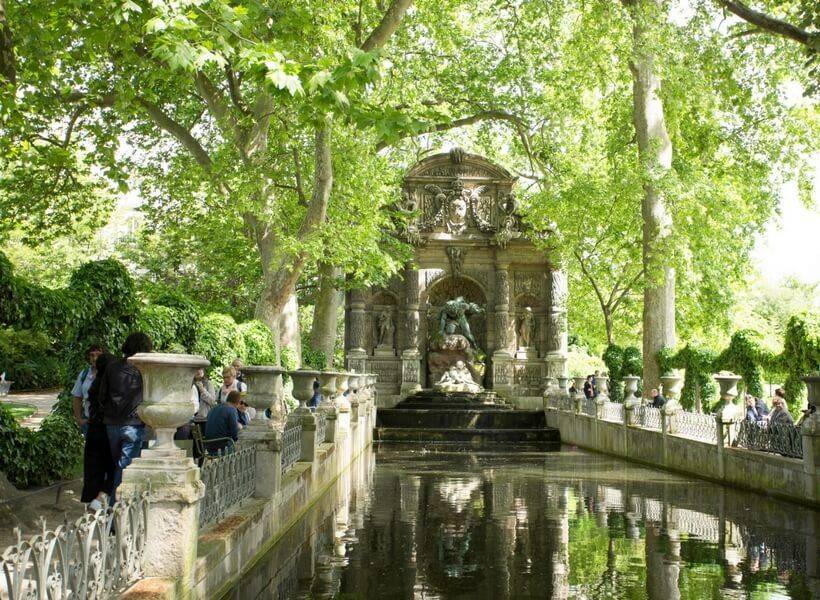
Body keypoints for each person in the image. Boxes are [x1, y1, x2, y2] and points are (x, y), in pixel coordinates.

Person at [101, 332, 152, 500]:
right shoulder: (144, 370)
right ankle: (115, 509)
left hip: (112, 424)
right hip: (134, 424)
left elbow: (102, 395)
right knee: (125, 469)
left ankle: (115, 509)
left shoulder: (112, 367)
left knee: (120, 466)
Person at [81, 352, 115, 510]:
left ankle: (91, 502)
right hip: (106, 429)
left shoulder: (95, 383)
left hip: (93, 427)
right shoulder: (110, 385)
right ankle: (101, 497)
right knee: (114, 466)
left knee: (93, 467)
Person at [72, 344, 104, 433]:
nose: (95, 358)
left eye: (98, 355)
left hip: (106, 424)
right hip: (88, 422)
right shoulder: (84, 373)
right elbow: (77, 397)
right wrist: (79, 420)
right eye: (92, 355)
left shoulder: (109, 372)